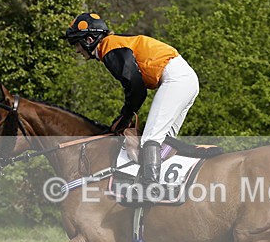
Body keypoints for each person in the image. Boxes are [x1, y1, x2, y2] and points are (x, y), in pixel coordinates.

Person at [63, 12, 199, 202]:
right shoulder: (114, 44)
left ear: (89, 39)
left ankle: (150, 188)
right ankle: (168, 184)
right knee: (166, 141)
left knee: (151, 139)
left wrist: (124, 118)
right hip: (186, 78)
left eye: (77, 43)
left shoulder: (109, 48)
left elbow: (136, 89)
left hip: (176, 79)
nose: (77, 49)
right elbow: (136, 89)